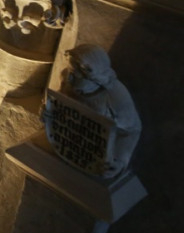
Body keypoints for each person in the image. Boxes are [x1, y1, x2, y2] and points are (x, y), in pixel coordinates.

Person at [58, 44, 142, 178]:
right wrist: (50, 112)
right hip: (67, 143)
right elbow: (60, 101)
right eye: (70, 71)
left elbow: (131, 130)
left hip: (96, 156)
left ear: (92, 75)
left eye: (75, 74)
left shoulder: (115, 96)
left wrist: (119, 160)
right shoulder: (67, 78)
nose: (69, 77)